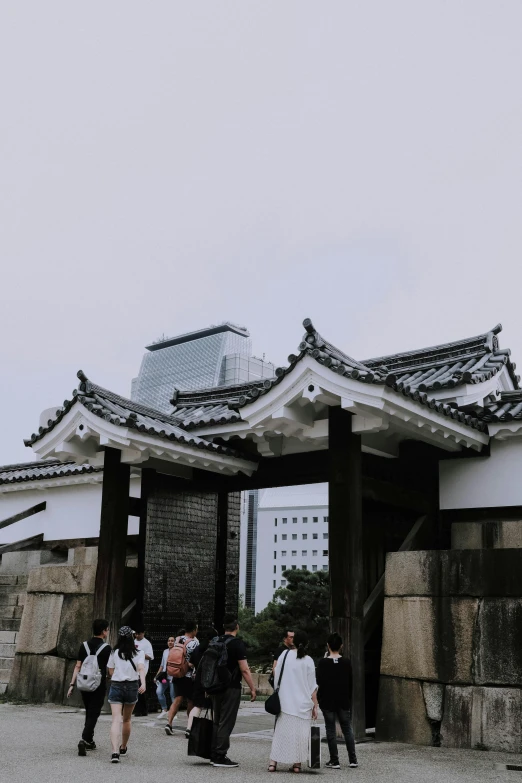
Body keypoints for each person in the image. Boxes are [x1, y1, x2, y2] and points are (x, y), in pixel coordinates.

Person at [209, 614, 257, 768]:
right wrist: (252, 688)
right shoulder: (237, 644)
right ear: (237, 627)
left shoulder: (215, 641)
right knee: (226, 721)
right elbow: (244, 669)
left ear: (224, 627)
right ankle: (220, 755)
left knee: (217, 720)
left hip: (214, 686)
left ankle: (213, 752)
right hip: (231, 687)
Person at [268, 630, 318, 774]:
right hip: (302, 704)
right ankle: (297, 765)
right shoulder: (308, 660)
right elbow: (312, 686)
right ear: (306, 643)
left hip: (285, 702)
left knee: (280, 733)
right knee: (300, 735)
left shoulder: (284, 655)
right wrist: (315, 705)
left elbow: (276, 674)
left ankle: (273, 763)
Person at [68, 617, 111, 756]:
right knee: (94, 712)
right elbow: (109, 669)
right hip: (98, 684)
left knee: (89, 711)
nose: (107, 632)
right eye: (107, 629)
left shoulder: (84, 645)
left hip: (84, 682)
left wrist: (72, 684)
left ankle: (89, 741)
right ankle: (84, 738)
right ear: (104, 631)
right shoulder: (107, 648)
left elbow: (78, 666)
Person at [316, 632, 358, 769]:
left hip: (327, 701)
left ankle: (335, 760)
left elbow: (319, 682)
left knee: (330, 729)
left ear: (328, 645)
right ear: (341, 646)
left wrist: (320, 699)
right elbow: (350, 683)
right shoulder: (346, 662)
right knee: (347, 728)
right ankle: (353, 759)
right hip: (343, 700)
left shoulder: (322, 663)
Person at [107, 625, 146, 763]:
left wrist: (118, 674)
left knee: (116, 719)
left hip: (117, 684)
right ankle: (123, 746)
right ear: (131, 637)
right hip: (132, 686)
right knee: (127, 719)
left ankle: (115, 752)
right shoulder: (139, 653)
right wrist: (143, 683)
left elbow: (110, 671)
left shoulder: (114, 652)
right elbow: (141, 668)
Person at [164, 620, 199, 734]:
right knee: (191, 701)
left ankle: (169, 723)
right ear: (194, 630)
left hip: (177, 673)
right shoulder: (194, 643)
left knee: (177, 699)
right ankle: (189, 726)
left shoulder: (177, 639)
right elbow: (194, 661)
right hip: (188, 676)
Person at [185, 626, 218, 739]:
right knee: (212, 707)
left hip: (198, 680)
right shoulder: (214, 649)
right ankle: (212, 730)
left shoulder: (198, 648)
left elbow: (191, 663)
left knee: (197, 706)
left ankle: (189, 728)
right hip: (211, 681)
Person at [133, 626, 154, 716]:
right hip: (134, 668)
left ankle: (141, 710)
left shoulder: (146, 643)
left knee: (140, 689)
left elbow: (150, 656)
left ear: (143, 633)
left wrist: (140, 654)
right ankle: (141, 710)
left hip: (142, 669)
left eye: (139, 634)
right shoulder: (133, 641)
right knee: (138, 689)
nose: (137, 635)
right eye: (136, 634)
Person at [154, 635, 175, 719]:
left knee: (173, 695)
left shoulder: (177, 651)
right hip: (164, 677)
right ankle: (164, 709)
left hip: (173, 677)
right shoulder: (165, 651)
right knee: (159, 691)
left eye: (172, 641)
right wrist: (156, 676)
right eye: (169, 640)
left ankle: (173, 712)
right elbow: (162, 666)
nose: (170, 642)